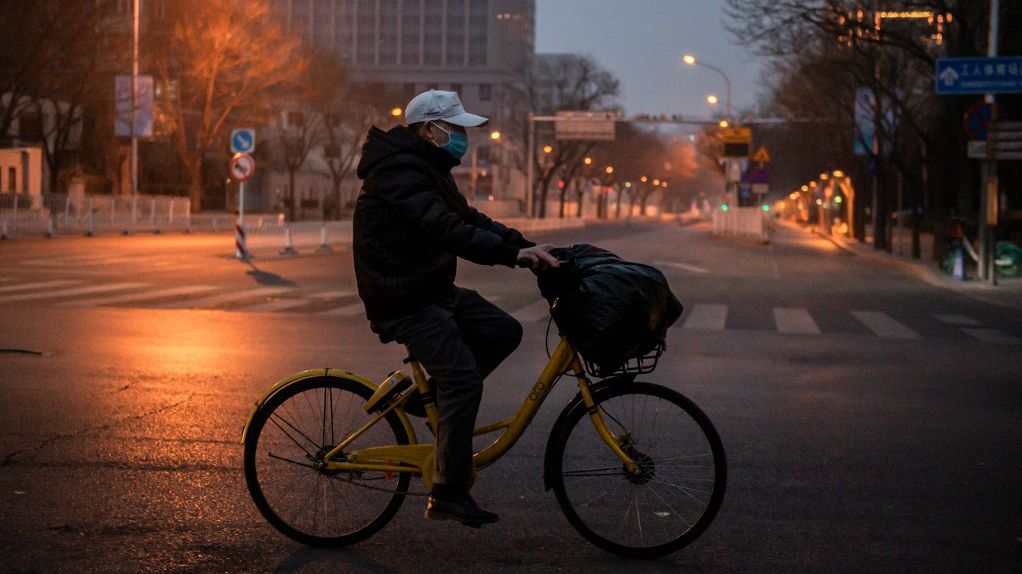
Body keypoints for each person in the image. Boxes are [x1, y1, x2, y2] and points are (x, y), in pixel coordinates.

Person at [353, 90, 559, 526]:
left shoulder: (428, 168)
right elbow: (445, 228)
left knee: (504, 331)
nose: (464, 137)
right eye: (457, 128)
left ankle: (423, 402)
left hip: (429, 289)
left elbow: (469, 219)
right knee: (463, 380)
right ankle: (447, 491)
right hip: (403, 297)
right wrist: (509, 257)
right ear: (429, 129)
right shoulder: (399, 171)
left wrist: (525, 246)